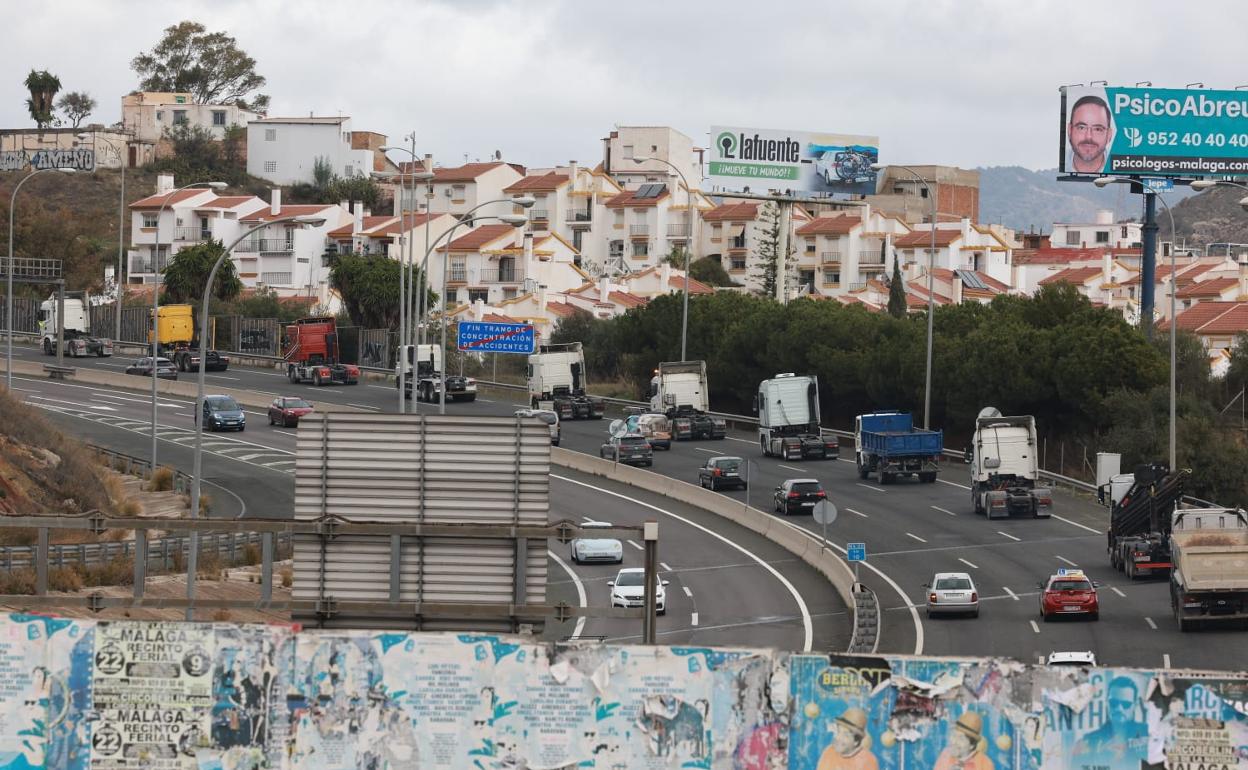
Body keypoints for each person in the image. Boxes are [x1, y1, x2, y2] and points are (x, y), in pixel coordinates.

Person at [1071, 676, 1149, 770]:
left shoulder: (1149, 735)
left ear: (1135, 705)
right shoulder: (1087, 742)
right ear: (1106, 702)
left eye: (1126, 704)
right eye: (1114, 703)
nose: (1119, 709)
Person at [1068, 94, 1112, 174]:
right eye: (1081, 127)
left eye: (1098, 129)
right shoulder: (1061, 164)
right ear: (1069, 130)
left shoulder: (1119, 164)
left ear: (1109, 135)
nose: (1088, 136)